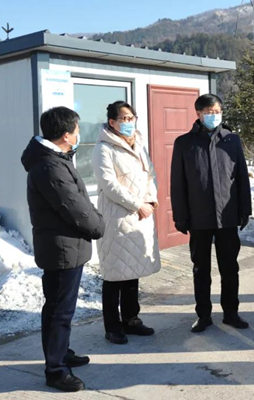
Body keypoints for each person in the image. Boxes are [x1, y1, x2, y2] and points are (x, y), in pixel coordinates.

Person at [21, 107, 106, 392]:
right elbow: (75, 207)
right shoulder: (50, 166)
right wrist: (99, 225)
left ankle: (61, 352)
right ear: (66, 135)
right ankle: (56, 369)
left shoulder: (54, 159)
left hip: (66, 246)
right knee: (59, 311)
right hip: (61, 248)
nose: (79, 135)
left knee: (59, 308)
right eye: (77, 131)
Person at [170, 94, 252, 333]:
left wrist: (244, 209)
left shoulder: (231, 140)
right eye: (208, 112)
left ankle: (231, 313)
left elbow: (241, 178)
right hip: (199, 217)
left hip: (227, 216)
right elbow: (178, 182)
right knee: (201, 269)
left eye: (217, 111)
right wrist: (180, 215)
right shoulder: (184, 143)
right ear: (198, 114)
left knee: (230, 268)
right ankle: (203, 315)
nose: (213, 116)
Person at [92, 101, 161, 345]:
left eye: (131, 118)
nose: (129, 122)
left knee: (132, 272)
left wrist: (150, 200)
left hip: (140, 216)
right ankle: (112, 326)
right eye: (124, 118)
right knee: (114, 275)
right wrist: (137, 204)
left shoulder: (138, 144)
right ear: (112, 122)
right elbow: (109, 184)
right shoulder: (103, 148)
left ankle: (132, 319)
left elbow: (150, 174)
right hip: (117, 218)